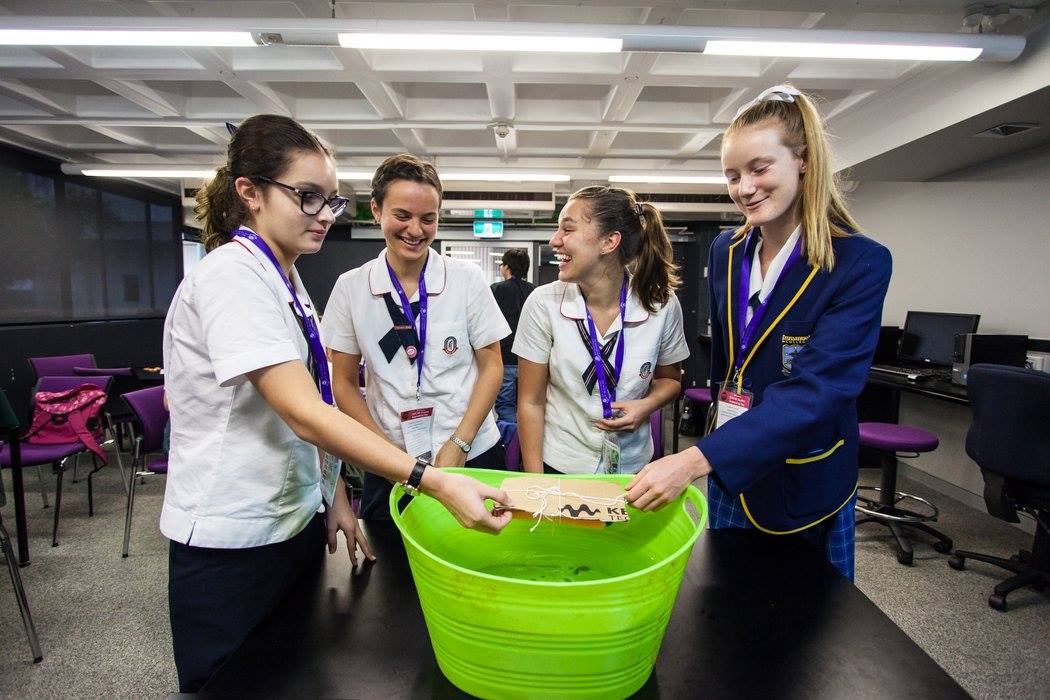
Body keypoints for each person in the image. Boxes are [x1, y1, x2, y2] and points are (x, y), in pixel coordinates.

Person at [162, 116, 511, 692]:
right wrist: (431, 477)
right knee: (233, 682)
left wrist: (334, 495)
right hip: (235, 533)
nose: (325, 214)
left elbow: (312, 408)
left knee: (296, 670)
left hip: (289, 519)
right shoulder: (232, 277)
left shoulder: (285, 277)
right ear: (249, 193)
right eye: (307, 197)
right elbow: (304, 409)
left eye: (330, 200)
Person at [625, 85, 893, 581]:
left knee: (805, 626)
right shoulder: (726, 250)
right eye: (732, 175)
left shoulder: (859, 262)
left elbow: (818, 393)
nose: (744, 187)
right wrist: (715, 451)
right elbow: (734, 365)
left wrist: (693, 459)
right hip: (732, 465)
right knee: (727, 607)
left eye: (759, 169)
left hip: (804, 472)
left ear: (804, 160)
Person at [322, 154, 510, 520]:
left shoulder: (466, 279)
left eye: (428, 219)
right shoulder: (351, 288)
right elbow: (343, 382)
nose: (416, 230)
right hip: (390, 458)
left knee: (475, 556)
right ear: (376, 210)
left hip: (472, 449)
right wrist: (382, 451)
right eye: (402, 216)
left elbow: (492, 367)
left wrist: (459, 442)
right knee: (391, 562)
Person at [514, 186, 689, 475]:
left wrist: (646, 406)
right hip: (561, 463)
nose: (554, 240)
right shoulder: (543, 304)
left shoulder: (662, 305)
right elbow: (531, 402)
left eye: (567, 230)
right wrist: (537, 483)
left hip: (631, 467)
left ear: (609, 242)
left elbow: (670, 380)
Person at [490, 248, 536, 423]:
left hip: (505, 358)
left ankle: (510, 446)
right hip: (530, 360)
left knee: (505, 406)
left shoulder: (496, 290)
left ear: (506, 267)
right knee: (528, 404)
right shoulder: (535, 291)